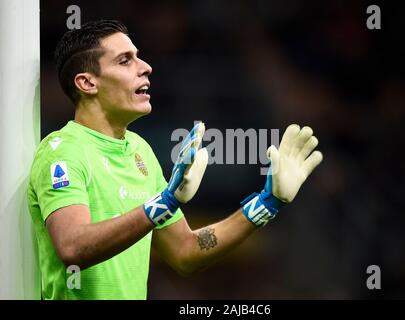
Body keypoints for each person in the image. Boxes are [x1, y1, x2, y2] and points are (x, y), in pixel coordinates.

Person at [27, 20, 323, 300]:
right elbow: (73, 246)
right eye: (125, 60)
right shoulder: (62, 152)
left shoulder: (139, 150)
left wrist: (266, 204)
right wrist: (165, 203)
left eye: (138, 57)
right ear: (87, 83)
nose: (146, 67)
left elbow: (186, 251)